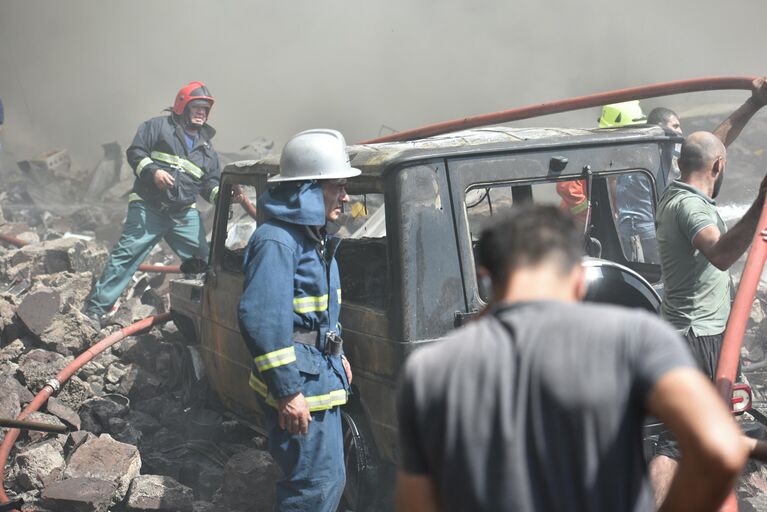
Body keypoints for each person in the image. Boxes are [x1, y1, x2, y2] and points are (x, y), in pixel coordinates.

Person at [395, 204, 749, 512]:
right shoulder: (639, 338)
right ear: (580, 279)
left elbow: (418, 503)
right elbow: (720, 448)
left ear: (486, 278)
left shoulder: (430, 370)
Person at [238, 129, 358, 511]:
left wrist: (337, 353)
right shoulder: (277, 241)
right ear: (307, 190)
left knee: (327, 481)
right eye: (337, 187)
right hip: (301, 387)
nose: (346, 196)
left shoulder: (311, 238)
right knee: (313, 487)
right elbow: (262, 320)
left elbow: (315, 313)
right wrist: (287, 391)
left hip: (319, 377)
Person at [650, 131, 767, 503]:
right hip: (699, 335)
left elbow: (707, 145)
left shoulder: (674, 191)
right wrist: (761, 201)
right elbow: (720, 254)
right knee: (677, 442)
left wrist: (753, 103)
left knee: (681, 436)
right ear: (718, 166)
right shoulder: (692, 208)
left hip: (686, 331)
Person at [83, 81, 222, 324]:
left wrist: (223, 196)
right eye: (197, 107)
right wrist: (153, 173)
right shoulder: (157, 127)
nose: (201, 112)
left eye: (205, 109)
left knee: (205, 263)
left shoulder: (208, 150)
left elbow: (208, 185)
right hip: (149, 207)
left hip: (183, 215)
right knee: (126, 256)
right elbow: (135, 152)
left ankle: (203, 317)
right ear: (182, 106)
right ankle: (95, 311)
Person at [556, 100, 646, 229]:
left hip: (610, 224)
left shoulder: (621, 153)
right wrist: (593, 215)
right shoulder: (591, 152)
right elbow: (566, 186)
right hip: (578, 227)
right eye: (631, 133)